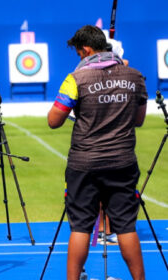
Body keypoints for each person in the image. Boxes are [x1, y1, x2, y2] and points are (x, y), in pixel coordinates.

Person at [47, 25, 147, 280]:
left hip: (85, 163)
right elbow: (138, 119)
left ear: (87, 50)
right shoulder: (135, 77)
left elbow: (53, 120)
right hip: (122, 161)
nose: (80, 58)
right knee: (126, 227)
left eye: (80, 53)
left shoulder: (75, 79)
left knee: (80, 226)